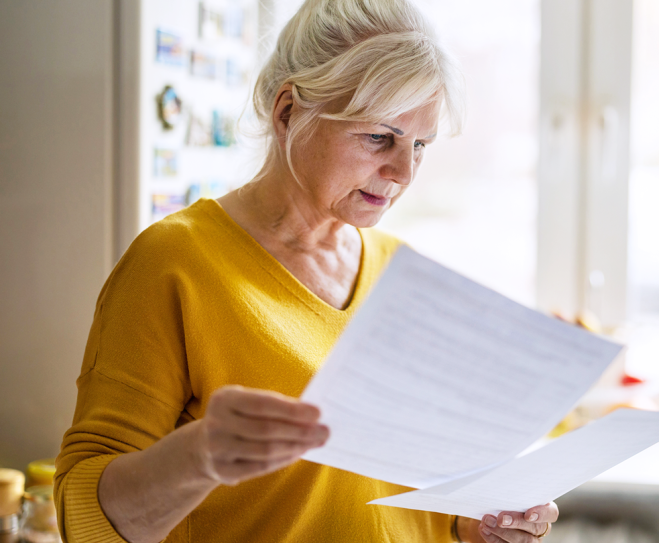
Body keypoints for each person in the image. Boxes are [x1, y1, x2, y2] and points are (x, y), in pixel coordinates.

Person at [54, 0, 558, 541]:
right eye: (379, 137)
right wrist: (198, 457)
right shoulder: (175, 262)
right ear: (288, 111)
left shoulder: (399, 271)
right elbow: (83, 514)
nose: (403, 171)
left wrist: (470, 524)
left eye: (420, 145)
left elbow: (396, 500)